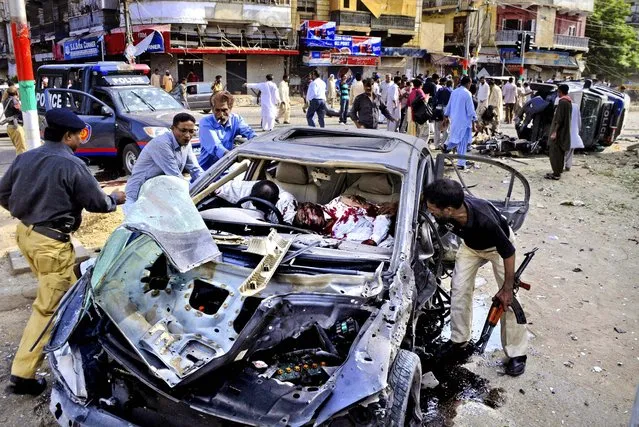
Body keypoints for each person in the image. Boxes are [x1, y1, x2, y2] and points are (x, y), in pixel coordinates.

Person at [0, 108, 126, 395]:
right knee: (49, 308)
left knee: (68, 295)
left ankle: (75, 345)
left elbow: (2, 194)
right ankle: (22, 375)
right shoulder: (72, 165)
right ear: (68, 136)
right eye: (78, 135)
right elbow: (97, 203)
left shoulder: (26, 157)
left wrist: (29, 211)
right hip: (51, 243)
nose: (80, 141)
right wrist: (115, 199)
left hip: (26, 235)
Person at [425, 178, 528, 376]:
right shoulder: (445, 210)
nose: (430, 212)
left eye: (433, 209)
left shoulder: (484, 219)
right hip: (471, 247)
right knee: (459, 289)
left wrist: (507, 289)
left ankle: (517, 353)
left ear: (448, 210)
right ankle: (459, 340)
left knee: (510, 302)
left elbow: (508, 252)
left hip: (498, 248)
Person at [124, 113, 203, 213]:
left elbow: (195, 169)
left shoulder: (186, 144)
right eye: (183, 130)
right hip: (138, 195)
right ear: (173, 128)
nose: (187, 135)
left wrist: (210, 185)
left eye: (191, 131)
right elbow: (175, 176)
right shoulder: (162, 144)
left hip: (158, 194)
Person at [293, 195, 396, 246]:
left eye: (306, 215)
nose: (307, 220)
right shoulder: (317, 238)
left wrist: (374, 240)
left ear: (313, 206)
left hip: (386, 245)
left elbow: (382, 214)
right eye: (304, 221)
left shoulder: (342, 203)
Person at [198, 91, 256, 170]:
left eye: (224, 110)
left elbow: (249, 132)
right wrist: (234, 156)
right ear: (212, 109)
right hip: (207, 172)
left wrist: (257, 143)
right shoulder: (205, 123)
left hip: (226, 168)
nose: (221, 114)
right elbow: (216, 147)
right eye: (217, 110)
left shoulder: (236, 119)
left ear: (230, 108)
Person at [215, 179, 297, 224]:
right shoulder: (241, 189)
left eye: (264, 207)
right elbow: (215, 187)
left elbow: (287, 229)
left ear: (276, 200)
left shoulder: (287, 202)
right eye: (257, 205)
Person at [442, 76, 476, 169]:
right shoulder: (467, 94)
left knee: (456, 137)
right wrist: (475, 120)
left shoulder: (454, 92)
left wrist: (446, 115)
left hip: (455, 120)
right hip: (464, 121)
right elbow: (470, 110)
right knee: (462, 142)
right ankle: (460, 162)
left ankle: (447, 146)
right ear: (468, 83)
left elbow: (449, 105)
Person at [545, 84, 572, 180]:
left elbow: (559, 120)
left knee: (554, 153)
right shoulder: (568, 102)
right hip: (564, 132)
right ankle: (557, 172)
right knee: (559, 153)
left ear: (560, 91)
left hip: (559, 132)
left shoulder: (562, 102)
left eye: (558, 92)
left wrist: (554, 132)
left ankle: (556, 173)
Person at [3, 87, 27, 154]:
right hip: (16, 127)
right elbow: (21, 111)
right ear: (16, 92)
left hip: (10, 127)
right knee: (22, 151)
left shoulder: (5, 100)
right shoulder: (13, 101)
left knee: (19, 149)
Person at [565, 100, 584, 172]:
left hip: (565, 131)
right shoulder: (576, 106)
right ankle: (568, 166)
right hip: (573, 130)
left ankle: (561, 166)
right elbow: (579, 120)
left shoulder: (562, 105)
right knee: (570, 150)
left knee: (562, 150)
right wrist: (579, 128)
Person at [433, 79, 453, 149]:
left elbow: (435, 99)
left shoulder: (440, 90)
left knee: (437, 128)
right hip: (446, 110)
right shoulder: (451, 91)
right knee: (446, 128)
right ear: (451, 84)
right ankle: (443, 144)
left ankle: (436, 145)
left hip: (438, 108)